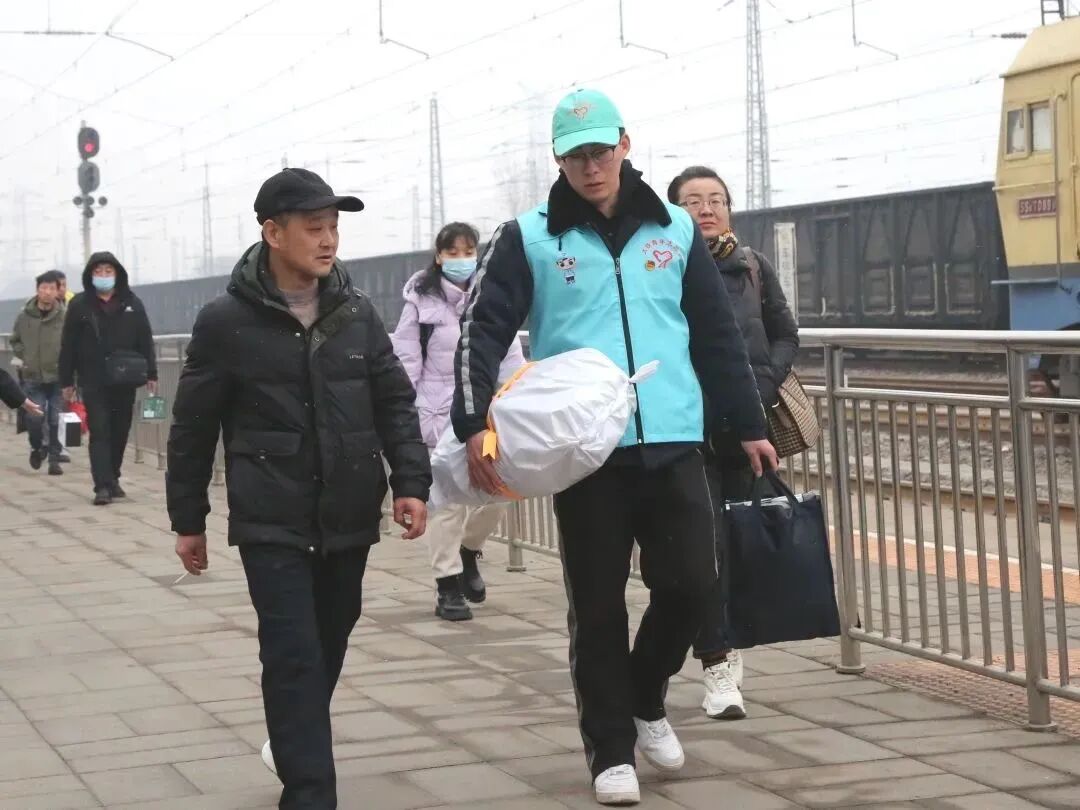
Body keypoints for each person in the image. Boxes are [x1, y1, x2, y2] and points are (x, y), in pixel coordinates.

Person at [451, 89, 777, 806]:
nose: (591, 167)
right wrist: (473, 419)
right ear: (558, 160)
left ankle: (644, 694)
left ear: (625, 144)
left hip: (674, 435)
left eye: (601, 151)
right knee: (598, 605)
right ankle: (610, 751)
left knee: (692, 585)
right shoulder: (529, 237)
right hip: (585, 449)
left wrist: (750, 422)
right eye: (576, 156)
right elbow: (482, 329)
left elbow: (715, 332)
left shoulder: (674, 229)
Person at [166, 167, 431, 810]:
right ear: (273, 233)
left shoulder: (356, 313)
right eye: (314, 227)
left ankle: (292, 740)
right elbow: (193, 427)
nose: (328, 239)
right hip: (271, 516)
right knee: (293, 653)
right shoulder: (225, 322)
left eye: (333, 226)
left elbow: (395, 402)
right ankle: (311, 793)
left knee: (330, 639)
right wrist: (189, 518)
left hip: (348, 510)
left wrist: (410, 481)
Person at [668, 166, 799, 721]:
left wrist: (761, 385)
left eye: (716, 199)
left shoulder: (752, 266)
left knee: (740, 548)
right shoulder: (663, 267)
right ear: (673, 213)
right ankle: (716, 665)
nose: (706, 209)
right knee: (704, 554)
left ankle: (725, 644)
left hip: (746, 434)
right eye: (692, 201)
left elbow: (785, 332)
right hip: (686, 433)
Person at [391, 222, 526, 621]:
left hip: (483, 413)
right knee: (447, 503)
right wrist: (404, 416)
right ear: (439, 257)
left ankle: (469, 551)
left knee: (500, 491)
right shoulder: (421, 303)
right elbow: (406, 361)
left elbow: (509, 358)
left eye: (468, 251)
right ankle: (447, 585)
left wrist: (517, 401)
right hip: (437, 414)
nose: (461, 259)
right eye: (452, 252)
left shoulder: (492, 296)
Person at [58, 253, 158, 505]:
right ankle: (101, 485)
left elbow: (145, 339)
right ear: (90, 276)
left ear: (117, 274)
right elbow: (68, 345)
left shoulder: (132, 303)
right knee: (100, 430)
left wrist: (152, 373)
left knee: (120, 430)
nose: (103, 276)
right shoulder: (80, 305)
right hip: (93, 379)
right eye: (98, 271)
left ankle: (113, 477)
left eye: (108, 271)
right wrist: (66, 380)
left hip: (125, 379)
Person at [10, 271, 67, 475]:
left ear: (57, 291)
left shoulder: (64, 316)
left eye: (52, 288)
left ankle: (54, 459)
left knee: (55, 419)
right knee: (34, 418)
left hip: (58, 376)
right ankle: (37, 447)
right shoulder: (25, 316)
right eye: (44, 288)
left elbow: (73, 344)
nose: (48, 292)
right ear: (37, 290)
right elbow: (15, 340)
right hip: (32, 376)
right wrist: (24, 355)